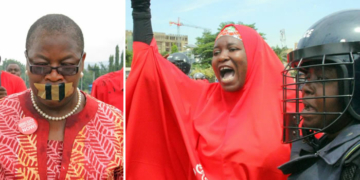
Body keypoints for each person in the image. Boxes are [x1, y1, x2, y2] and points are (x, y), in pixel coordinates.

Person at [126, 1, 294, 179]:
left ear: (255, 56)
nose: (222, 57)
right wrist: (141, 11)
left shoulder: (292, 104)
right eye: (216, 53)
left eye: (232, 49)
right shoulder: (204, 97)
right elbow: (152, 69)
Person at [0, 14, 123, 179]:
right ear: (27, 61)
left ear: (82, 62)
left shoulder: (115, 125)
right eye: (41, 65)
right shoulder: (3, 116)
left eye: (67, 65)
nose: (53, 76)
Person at [279, 10, 360, 180]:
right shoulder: (328, 141)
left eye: (322, 78)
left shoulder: (355, 161)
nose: (305, 88)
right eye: (307, 77)